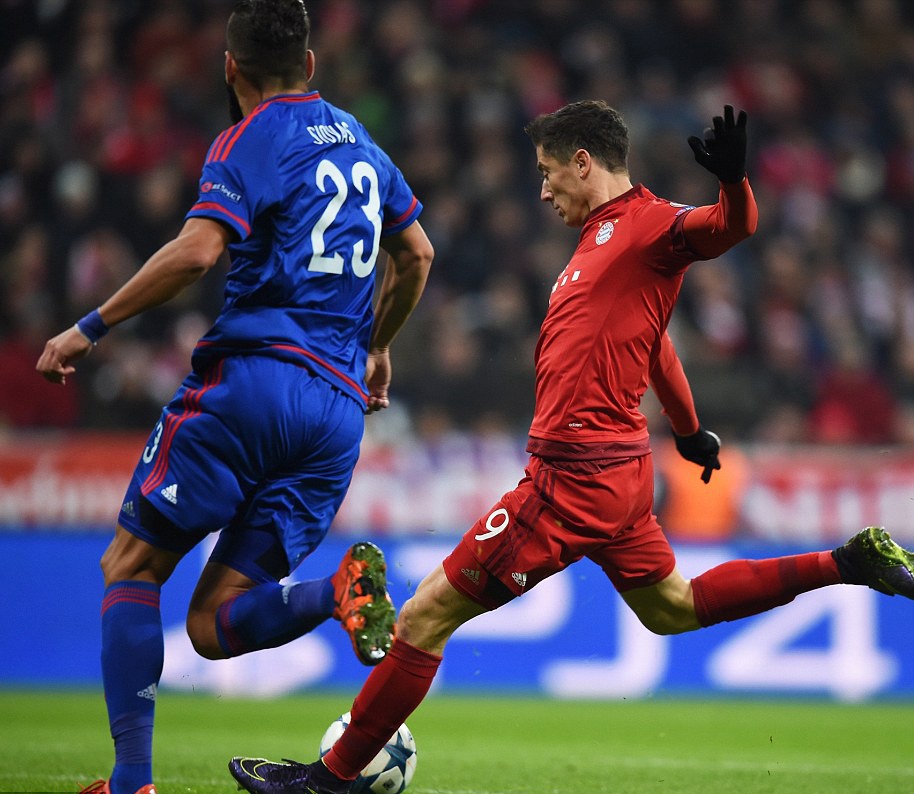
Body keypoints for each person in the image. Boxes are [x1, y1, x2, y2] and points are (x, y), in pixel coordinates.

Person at [226, 101, 914, 794]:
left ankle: (329, 779)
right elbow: (656, 348)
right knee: (673, 607)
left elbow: (732, 227)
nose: (543, 190)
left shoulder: (650, 225)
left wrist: (734, 183)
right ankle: (846, 561)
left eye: (547, 172)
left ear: (583, 163)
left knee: (423, 616)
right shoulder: (602, 242)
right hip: (620, 472)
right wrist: (687, 428)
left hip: (572, 476)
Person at [36, 2, 434, 794]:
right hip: (336, 416)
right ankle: (337, 593)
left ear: (230, 68)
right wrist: (378, 345)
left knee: (131, 564)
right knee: (213, 625)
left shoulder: (249, 138)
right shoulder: (361, 142)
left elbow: (197, 252)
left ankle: (131, 783)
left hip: (252, 384)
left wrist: (90, 326)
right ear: (310, 65)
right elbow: (417, 252)